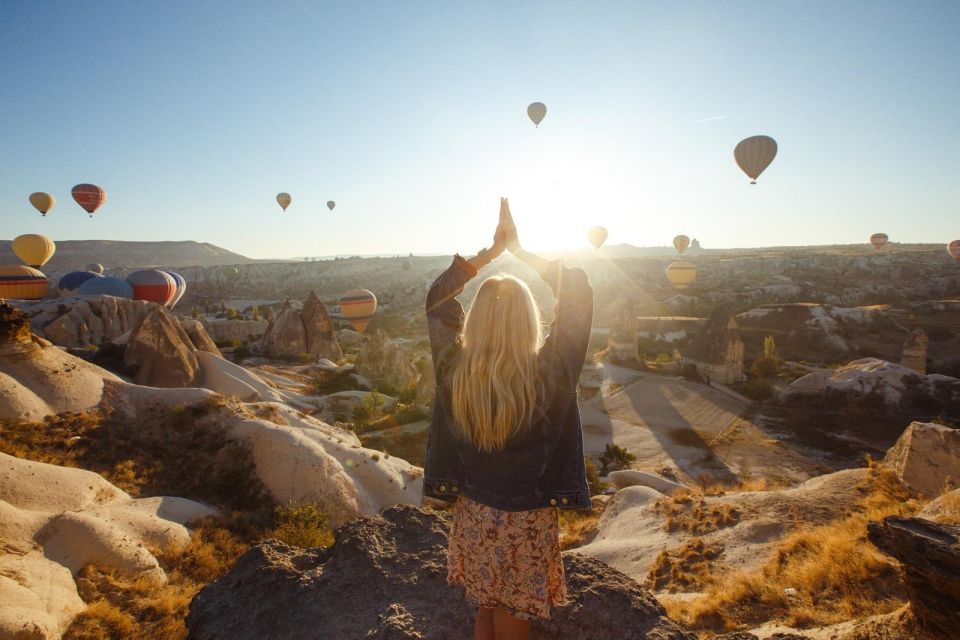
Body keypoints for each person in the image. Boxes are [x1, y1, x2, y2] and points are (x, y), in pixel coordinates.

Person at [424, 198, 594, 639]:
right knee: (513, 619)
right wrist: (521, 252)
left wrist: (487, 255)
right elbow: (577, 293)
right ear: (528, 322)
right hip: (527, 520)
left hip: (475, 514)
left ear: (476, 323)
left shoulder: (455, 371)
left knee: (486, 612)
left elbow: (436, 301)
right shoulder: (550, 373)